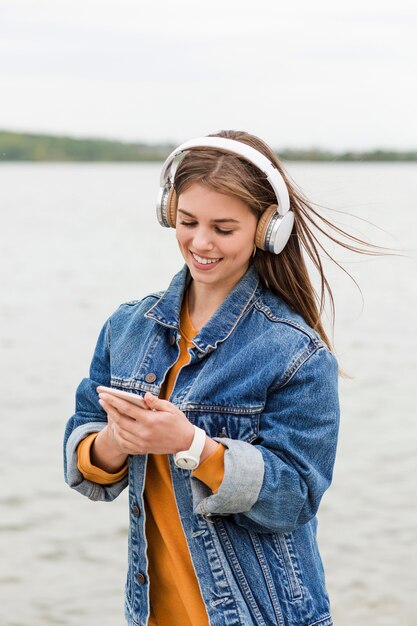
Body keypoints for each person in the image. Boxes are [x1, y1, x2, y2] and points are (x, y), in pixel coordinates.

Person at [64, 130, 364, 626]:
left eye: (223, 228)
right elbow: (84, 457)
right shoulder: (127, 328)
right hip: (150, 614)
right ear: (169, 213)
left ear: (268, 229)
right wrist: (114, 441)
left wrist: (192, 445)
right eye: (188, 222)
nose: (200, 242)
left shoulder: (295, 351)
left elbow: (295, 497)